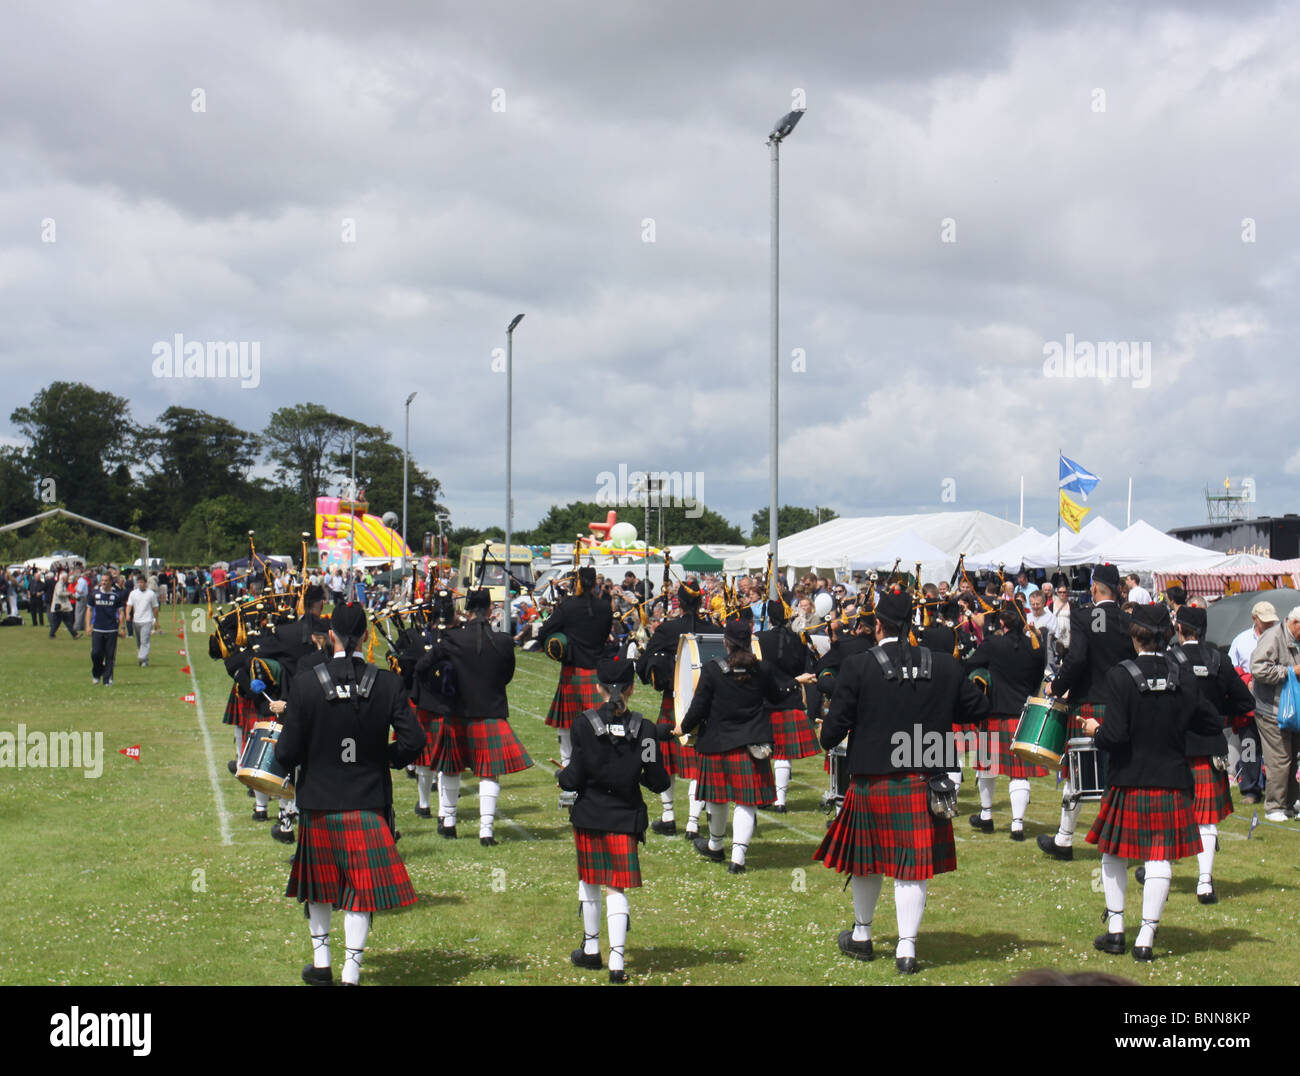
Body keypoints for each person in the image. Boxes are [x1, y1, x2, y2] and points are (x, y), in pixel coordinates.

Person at [814, 588, 989, 973]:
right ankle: (906, 950)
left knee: (867, 861)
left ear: (878, 625)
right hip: (926, 778)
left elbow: (830, 735)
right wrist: (973, 680)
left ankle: (862, 935)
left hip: (872, 779)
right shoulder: (944, 665)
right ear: (913, 623)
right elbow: (977, 707)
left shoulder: (859, 666)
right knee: (912, 866)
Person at [275, 601, 424, 986]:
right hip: (368, 801)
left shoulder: (307, 683)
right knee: (359, 889)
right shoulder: (388, 683)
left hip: (319, 802)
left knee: (320, 886)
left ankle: (321, 962)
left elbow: (286, 753)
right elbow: (415, 741)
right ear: (364, 637)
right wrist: (383, 757)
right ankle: (351, 972)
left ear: (332, 637)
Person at [1082, 604, 1221, 962]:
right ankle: (1145, 938)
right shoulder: (1185, 676)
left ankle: (1116, 932)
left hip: (1127, 779)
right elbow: (1209, 723)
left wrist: (1096, 731)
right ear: (1167, 636)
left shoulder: (1119, 676)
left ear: (1134, 635)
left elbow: (1116, 736)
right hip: (1171, 778)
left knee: (1113, 854)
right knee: (1159, 857)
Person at [557, 653, 671, 983]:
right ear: (632, 689)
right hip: (625, 817)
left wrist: (562, 777)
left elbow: (574, 776)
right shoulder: (646, 730)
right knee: (615, 886)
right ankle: (617, 961)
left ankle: (592, 950)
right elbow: (658, 780)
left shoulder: (582, 725)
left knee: (590, 881)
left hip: (590, 815)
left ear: (598, 687)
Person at [676, 617, 814, 874]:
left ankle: (716, 845)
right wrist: (797, 681)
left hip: (717, 743)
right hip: (752, 744)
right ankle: (737, 859)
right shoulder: (763, 670)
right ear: (749, 642)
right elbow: (776, 696)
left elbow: (698, 709)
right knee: (745, 803)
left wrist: (681, 728)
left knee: (717, 799)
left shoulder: (712, 670)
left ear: (726, 642)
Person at [417, 588, 532, 844]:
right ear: (491, 610)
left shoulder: (452, 638)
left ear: (467, 612)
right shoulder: (503, 641)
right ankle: (486, 831)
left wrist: (443, 687)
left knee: (451, 769)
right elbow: (507, 676)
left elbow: (422, 667)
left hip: (457, 712)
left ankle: (448, 822)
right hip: (491, 711)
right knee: (488, 773)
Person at [1039, 564, 1131, 861]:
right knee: (1118, 773)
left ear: (1094, 587)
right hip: (1121, 704)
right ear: (1117, 589)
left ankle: (1065, 839)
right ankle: (1121, 840)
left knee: (1075, 774)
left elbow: (1076, 660)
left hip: (1088, 703)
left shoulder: (1083, 617)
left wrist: (1057, 686)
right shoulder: (1128, 620)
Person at [1167, 604, 1254, 902]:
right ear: (1203, 631)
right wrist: (1218, 715)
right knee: (1206, 819)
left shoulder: (1170, 660)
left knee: (1170, 812)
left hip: (1175, 747)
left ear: (1180, 629)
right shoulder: (1220, 659)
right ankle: (1204, 882)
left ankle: (1159, 867)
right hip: (1210, 747)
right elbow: (1245, 701)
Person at [635, 579, 715, 839]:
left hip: (673, 702)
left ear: (679, 602)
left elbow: (644, 665)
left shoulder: (667, 630)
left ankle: (669, 816)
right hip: (705, 706)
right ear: (701, 601)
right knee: (696, 764)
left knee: (666, 761)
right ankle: (693, 823)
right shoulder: (712, 629)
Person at [964, 607, 1048, 839]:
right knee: (1019, 774)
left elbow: (970, 667)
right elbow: (1037, 677)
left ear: (1002, 621)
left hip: (995, 713)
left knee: (987, 768)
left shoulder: (992, 645)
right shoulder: (1035, 648)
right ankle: (1017, 825)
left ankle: (986, 815)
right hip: (1024, 714)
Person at [537, 566, 614, 775]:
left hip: (572, 671)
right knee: (598, 722)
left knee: (566, 722)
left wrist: (559, 645)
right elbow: (605, 634)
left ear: (577, 582)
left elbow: (543, 633)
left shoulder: (567, 607)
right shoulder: (606, 607)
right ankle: (599, 764)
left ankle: (567, 764)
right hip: (597, 671)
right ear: (595, 584)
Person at [755, 599, 820, 812]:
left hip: (765, 700)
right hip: (790, 699)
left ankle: (764, 797)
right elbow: (805, 667)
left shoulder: (759, 639)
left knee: (762, 752)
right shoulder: (799, 640)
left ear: (770, 618)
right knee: (783, 754)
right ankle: (780, 801)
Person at [1249, 602, 1300, 822]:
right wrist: (1289, 672)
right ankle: (1274, 806)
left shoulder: (1294, 638)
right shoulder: (1273, 637)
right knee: (1279, 759)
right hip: (1271, 710)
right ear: (1294, 622)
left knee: (1294, 757)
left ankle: (1289, 804)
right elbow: (1258, 668)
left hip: (1293, 710)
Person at [87, 572, 127, 686]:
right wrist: (88, 626)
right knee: (95, 653)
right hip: (98, 629)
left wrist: (122, 628)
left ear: (110, 582)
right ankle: (96, 673)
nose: (103, 582)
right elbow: (89, 610)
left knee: (110, 656)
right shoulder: (94, 594)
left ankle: (107, 678)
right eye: (102, 580)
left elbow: (121, 612)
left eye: (106, 581)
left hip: (111, 629)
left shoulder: (116, 596)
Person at [125, 573, 159, 667]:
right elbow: (129, 605)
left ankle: (142, 658)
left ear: (145, 583)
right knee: (139, 642)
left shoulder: (151, 594)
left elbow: (155, 608)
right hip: (136, 620)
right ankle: (144, 659)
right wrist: (127, 614)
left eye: (142, 582)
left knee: (145, 640)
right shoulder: (133, 593)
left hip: (147, 620)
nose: (140, 584)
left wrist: (156, 620)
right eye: (138, 582)